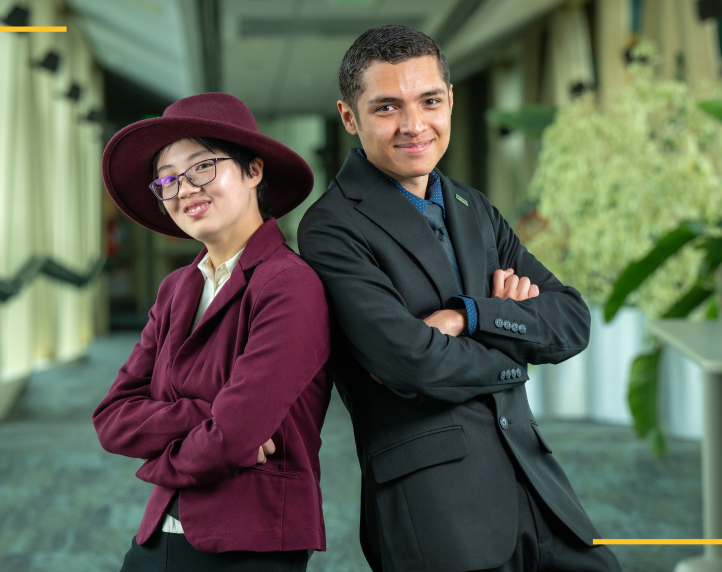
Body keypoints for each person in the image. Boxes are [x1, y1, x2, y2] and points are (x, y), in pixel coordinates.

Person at [298, 25, 623, 572]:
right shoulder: (331, 227)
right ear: (349, 118)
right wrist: (515, 340)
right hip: (438, 507)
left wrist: (469, 314)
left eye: (429, 101)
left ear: (450, 101)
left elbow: (572, 320)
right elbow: (413, 363)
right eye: (386, 108)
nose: (414, 125)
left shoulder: (474, 207)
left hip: (536, 481)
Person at [95, 92, 333, 572]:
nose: (183, 189)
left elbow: (233, 433)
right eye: (167, 179)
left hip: (251, 546)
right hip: (155, 540)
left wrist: (158, 463)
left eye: (202, 167)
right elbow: (112, 418)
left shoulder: (290, 285)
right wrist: (205, 414)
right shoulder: (176, 289)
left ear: (253, 171)